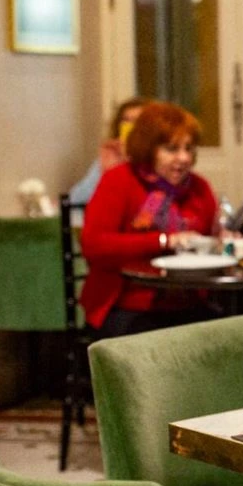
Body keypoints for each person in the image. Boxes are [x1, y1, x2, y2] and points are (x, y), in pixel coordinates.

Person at [80, 101, 219, 338]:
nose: (184, 158)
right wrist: (164, 240)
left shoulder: (199, 187)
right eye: (172, 149)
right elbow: (94, 245)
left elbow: (209, 239)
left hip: (189, 302)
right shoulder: (120, 180)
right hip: (127, 304)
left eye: (189, 149)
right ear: (149, 148)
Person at [69, 97, 149, 204]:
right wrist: (106, 172)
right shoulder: (111, 157)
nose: (130, 126)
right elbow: (76, 198)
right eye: (126, 121)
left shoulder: (160, 160)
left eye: (137, 121)